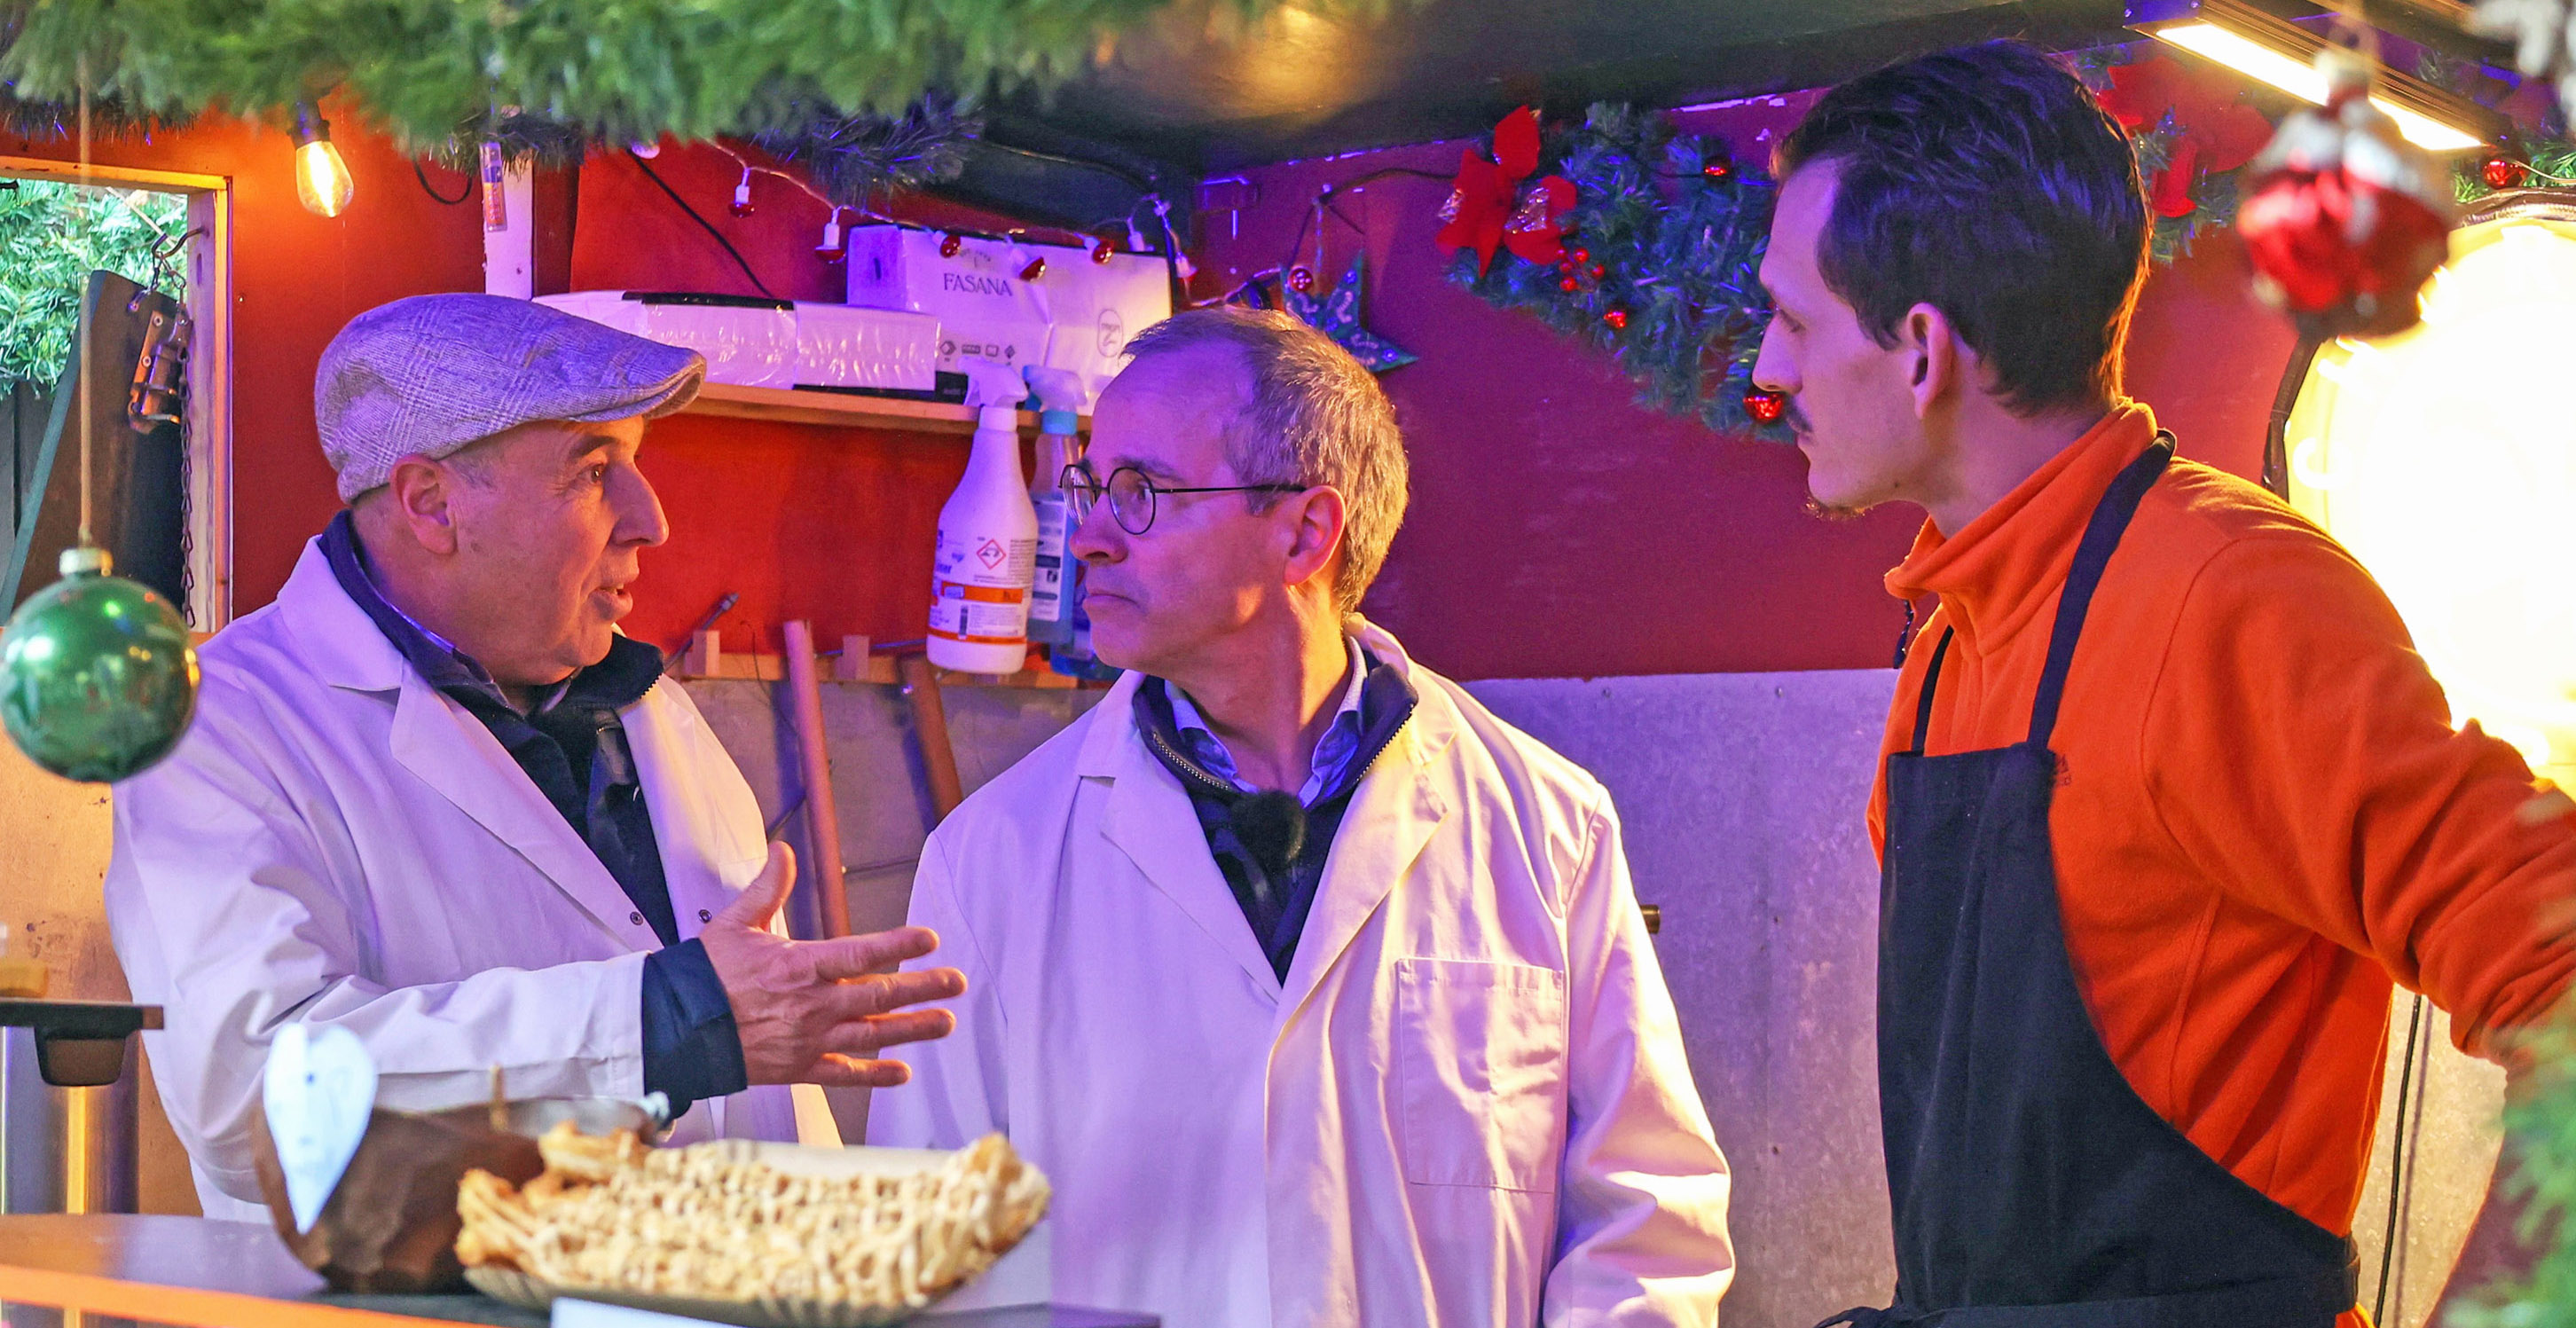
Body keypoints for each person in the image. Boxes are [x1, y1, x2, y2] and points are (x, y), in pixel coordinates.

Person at [1748, 43, 2576, 1327]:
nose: (1769, 369)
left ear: (1922, 350)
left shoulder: (2227, 599)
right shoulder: (1951, 624)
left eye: (1789, 318)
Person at [867, 307, 1734, 1327]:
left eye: (1142, 494)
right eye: (1092, 488)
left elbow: (1645, 1224)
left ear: (1303, 532)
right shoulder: (992, 860)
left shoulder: (1548, 828)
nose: (1092, 537)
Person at [105, 294, 965, 1222]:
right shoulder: (219, 729)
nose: (652, 520)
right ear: (431, 503)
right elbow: (258, 1103)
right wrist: (658, 1023)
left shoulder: (655, 716)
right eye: (595, 472)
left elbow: (770, 1089)